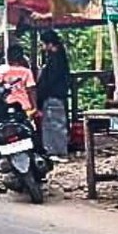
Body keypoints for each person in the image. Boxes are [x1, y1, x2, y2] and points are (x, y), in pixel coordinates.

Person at [35, 29, 72, 160]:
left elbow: (49, 80)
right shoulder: (58, 57)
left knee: (55, 125)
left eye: (43, 44)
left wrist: (40, 95)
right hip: (55, 95)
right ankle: (53, 151)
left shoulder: (55, 59)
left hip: (53, 95)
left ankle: (58, 152)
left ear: (49, 44)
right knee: (51, 124)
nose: (43, 47)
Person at [0, 44, 38, 117]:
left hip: (7, 105)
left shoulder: (4, 70)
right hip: (24, 106)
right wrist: (35, 107)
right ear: (21, 57)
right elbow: (31, 90)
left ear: (8, 57)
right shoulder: (26, 71)